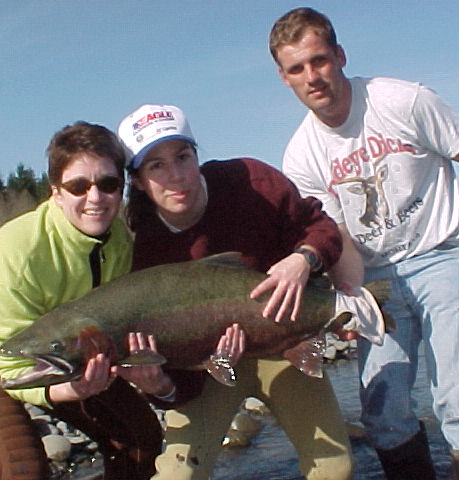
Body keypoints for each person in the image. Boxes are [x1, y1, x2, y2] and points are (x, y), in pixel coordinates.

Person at [269, 7, 459, 479]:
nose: (312, 76)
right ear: (284, 78)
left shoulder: (402, 100)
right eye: (297, 68)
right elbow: (336, 234)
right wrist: (348, 303)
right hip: (375, 276)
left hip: (443, 255)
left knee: (458, 399)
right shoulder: (301, 155)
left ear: (340, 56)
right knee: (383, 413)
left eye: (319, 60)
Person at [116, 103, 354, 480]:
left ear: (197, 156)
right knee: (179, 476)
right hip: (210, 372)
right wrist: (159, 386)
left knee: (334, 469)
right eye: (156, 165)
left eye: (183, 157)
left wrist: (303, 260)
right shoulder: (145, 253)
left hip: (283, 343)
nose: (176, 175)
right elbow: (178, 379)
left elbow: (320, 227)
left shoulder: (251, 181)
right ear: (140, 181)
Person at [0, 122, 165, 480]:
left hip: (59, 347)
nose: (95, 197)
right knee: (20, 466)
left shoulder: (119, 244)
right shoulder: (15, 255)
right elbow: (10, 364)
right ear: (56, 193)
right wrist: (69, 389)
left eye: (108, 184)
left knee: (140, 437)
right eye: (78, 186)